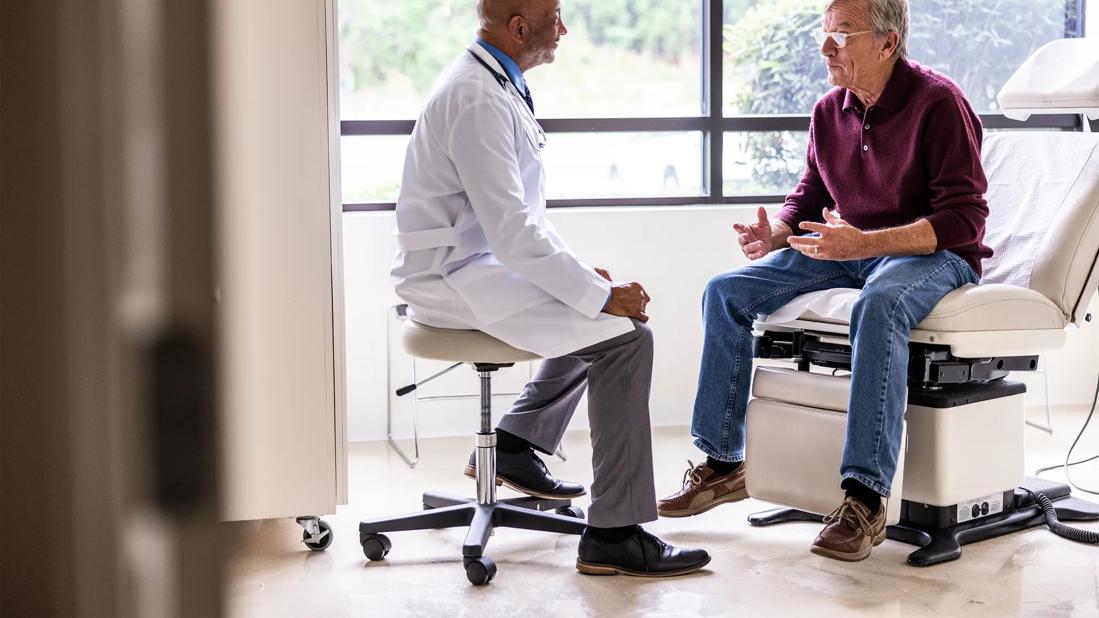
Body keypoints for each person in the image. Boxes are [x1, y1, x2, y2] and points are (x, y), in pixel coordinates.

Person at [658, 0, 991, 562]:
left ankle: (864, 498)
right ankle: (722, 463)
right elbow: (810, 193)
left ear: (887, 44)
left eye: (842, 35)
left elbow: (965, 218)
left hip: (935, 255)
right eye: (825, 33)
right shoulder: (828, 110)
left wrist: (867, 243)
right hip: (848, 249)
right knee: (727, 291)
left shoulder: (939, 103)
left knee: (879, 305)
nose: (825, 47)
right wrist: (778, 235)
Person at [390, 0, 710, 577]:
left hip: (471, 264)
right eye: (555, 15)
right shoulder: (477, 97)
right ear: (519, 27)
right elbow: (513, 233)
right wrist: (594, 293)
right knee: (625, 338)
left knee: (592, 308)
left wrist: (587, 281)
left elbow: (519, 222)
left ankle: (516, 442)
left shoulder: (491, 83)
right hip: (450, 276)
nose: (563, 27)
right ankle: (614, 532)